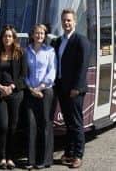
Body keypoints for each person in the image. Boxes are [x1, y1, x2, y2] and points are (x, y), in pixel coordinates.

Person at [54, 9, 90, 169]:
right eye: (64, 20)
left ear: (75, 22)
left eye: (69, 20)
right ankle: (68, 152)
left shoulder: (81, 40)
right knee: (68, 123)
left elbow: (83, 67)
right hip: (62, 87)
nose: (66, 23)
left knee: (76, 123)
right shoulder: (58, 41)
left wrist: (76, 87)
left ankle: (78, 154)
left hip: (75, 89)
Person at [0, 25, 27, 170]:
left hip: (16, 94)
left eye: (10, 36)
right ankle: (1, 157)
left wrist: (11, 87)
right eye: (5, 36)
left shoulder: (20, 53)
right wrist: (0, 87)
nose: (7, 38)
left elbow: (23, 76)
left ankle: (11, 157)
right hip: (0, 94)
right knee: (3, 126)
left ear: (14, 38)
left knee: (13, 127)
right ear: (2, 38)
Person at [25, 24, 56, 169]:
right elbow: (24, 73)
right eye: (37, 33)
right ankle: (31, 160)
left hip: (46, 91)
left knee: (45, 124)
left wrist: (40, 87)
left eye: (42, 33)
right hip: (30, 92)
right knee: (31, 125)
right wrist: (31, 88)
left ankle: (44, 160)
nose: (39, 36)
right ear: (32, 35)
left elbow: (52, 72)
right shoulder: (26, 51)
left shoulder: (50, 51)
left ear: (45, 35)